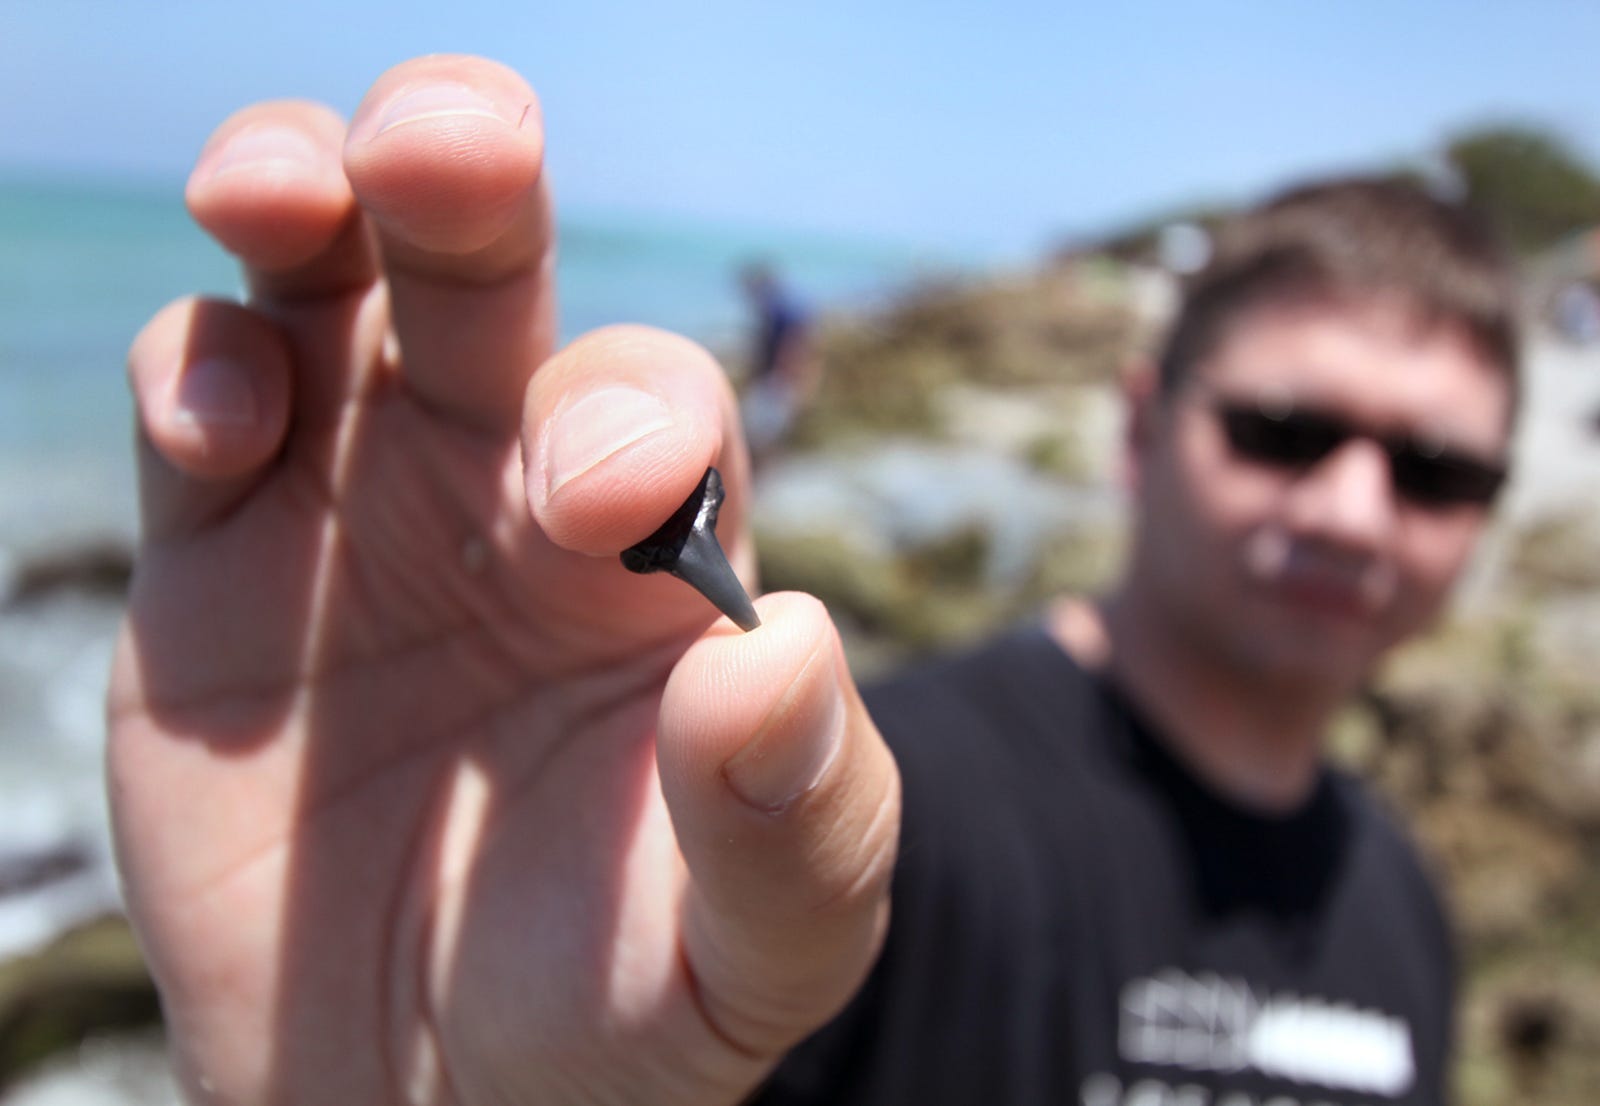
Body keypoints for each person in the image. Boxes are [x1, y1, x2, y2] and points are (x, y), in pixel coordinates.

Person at [108, 55, 1516, 1106]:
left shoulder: (1407, 904)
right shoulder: (850, 821)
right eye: (1283, 431)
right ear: (1139, 427)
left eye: (1436, 472)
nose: (1350, 508)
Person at [737, 261, 818, 464]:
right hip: (778, 378)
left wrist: (792, 380)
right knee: (768, 432)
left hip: (775, 380)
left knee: (761, 434)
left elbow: (791, 347)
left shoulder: (779, 308)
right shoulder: (791, 304)